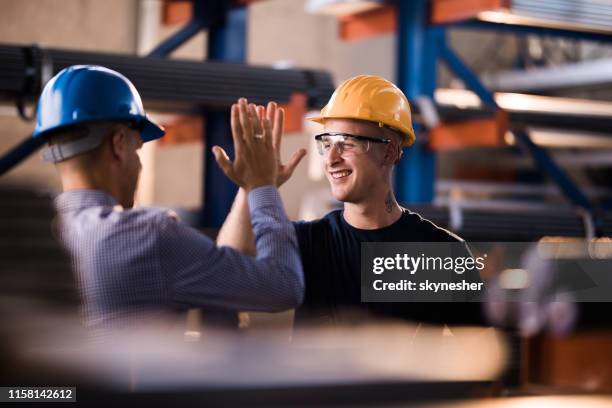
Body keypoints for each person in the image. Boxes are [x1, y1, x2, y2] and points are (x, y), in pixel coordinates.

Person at [35, 65, 303, 331]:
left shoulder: (33, 233)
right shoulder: (148, 236)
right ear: (118, 143)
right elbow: (282, 286)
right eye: (137, 149)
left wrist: (250, 188)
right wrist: (263, 187)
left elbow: (222, 277)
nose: (138, 164)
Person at [217, 75, 484, 327]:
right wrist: (253, 183)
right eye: (326, 143)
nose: (331, 159)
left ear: (389, 152)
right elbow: (230, 265)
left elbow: (483, 356)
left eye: (346, 142)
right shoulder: (309, 243)